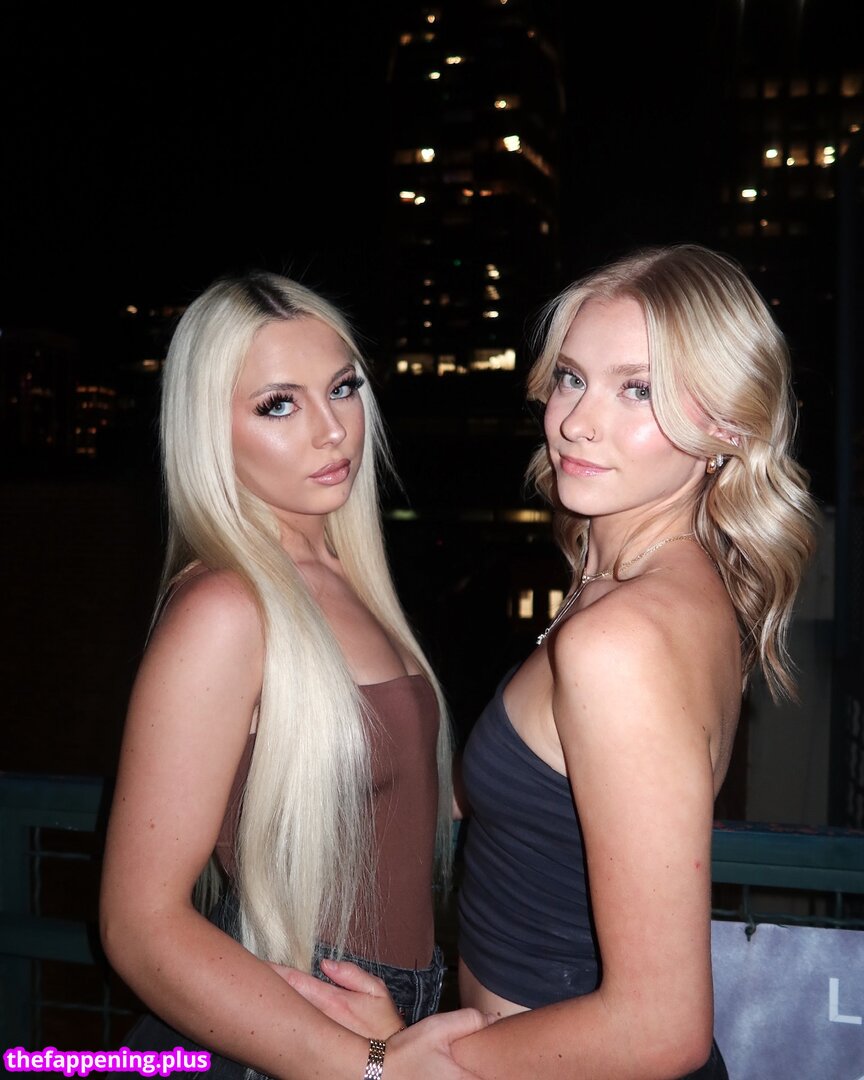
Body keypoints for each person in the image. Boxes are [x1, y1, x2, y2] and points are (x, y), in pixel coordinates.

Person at [292, 244, 819, 1077]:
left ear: (725, 425)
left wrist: (416, 1062)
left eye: (637, 389)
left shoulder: (620, 640)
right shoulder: (665, 584)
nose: (576, 421)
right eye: (572, 378)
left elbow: (660, 1027)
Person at [98, 270, 488, 1080]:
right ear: (210, 430)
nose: (332, 430)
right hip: (298, 1026)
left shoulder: (344, 575)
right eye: (279, 405)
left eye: (342, 389)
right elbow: (138, 926)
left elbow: (396, 790)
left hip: (394, 1008)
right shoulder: (225, 609)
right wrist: (370, 1066)